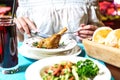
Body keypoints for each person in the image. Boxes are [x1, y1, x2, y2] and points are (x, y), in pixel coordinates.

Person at [14, 0, 104, 42]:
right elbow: (19, 38)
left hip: (78, 60)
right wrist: (15, 23)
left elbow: (101, 34)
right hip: (33, 60)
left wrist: (95, 33)